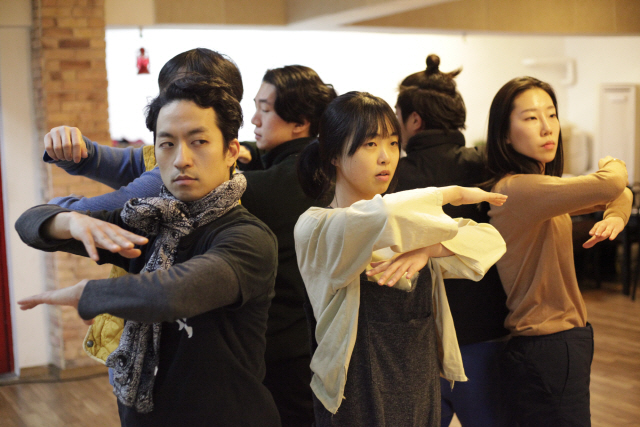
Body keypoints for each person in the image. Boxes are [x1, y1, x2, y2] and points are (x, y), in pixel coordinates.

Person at [43, 63, 336, 426]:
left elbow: (171, 293)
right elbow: (112, 171)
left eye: (198, 140)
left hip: (262, 359)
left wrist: (89, 291)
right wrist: (68, 211)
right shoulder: (156, 213)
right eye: (167, 142)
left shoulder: (244, 213)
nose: (181, 159)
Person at [294, 91, 508, 426]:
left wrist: (429, 250)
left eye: (393, 143)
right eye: (370, 145)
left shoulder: (403, 222)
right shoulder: (317, 225)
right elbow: (374, 217)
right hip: (355, 395)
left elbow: (489, 240)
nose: (386, 157)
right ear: (334, 154)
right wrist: (449, 194)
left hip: (418, 384)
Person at [484, 76, 632, 427]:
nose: (547, 127)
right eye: (531, 118)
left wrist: (615, 217)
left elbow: (620, 196)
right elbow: (613, 183)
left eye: (551, 115)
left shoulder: (538, 188)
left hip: (557, 344)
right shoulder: (518, 190)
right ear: (504, 133)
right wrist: (614, 162)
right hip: (547, 346)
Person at [394, 54, 509, 427]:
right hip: (485, 327)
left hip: (417, 335)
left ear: (414, 120)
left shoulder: (392, 177)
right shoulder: (485, 166)